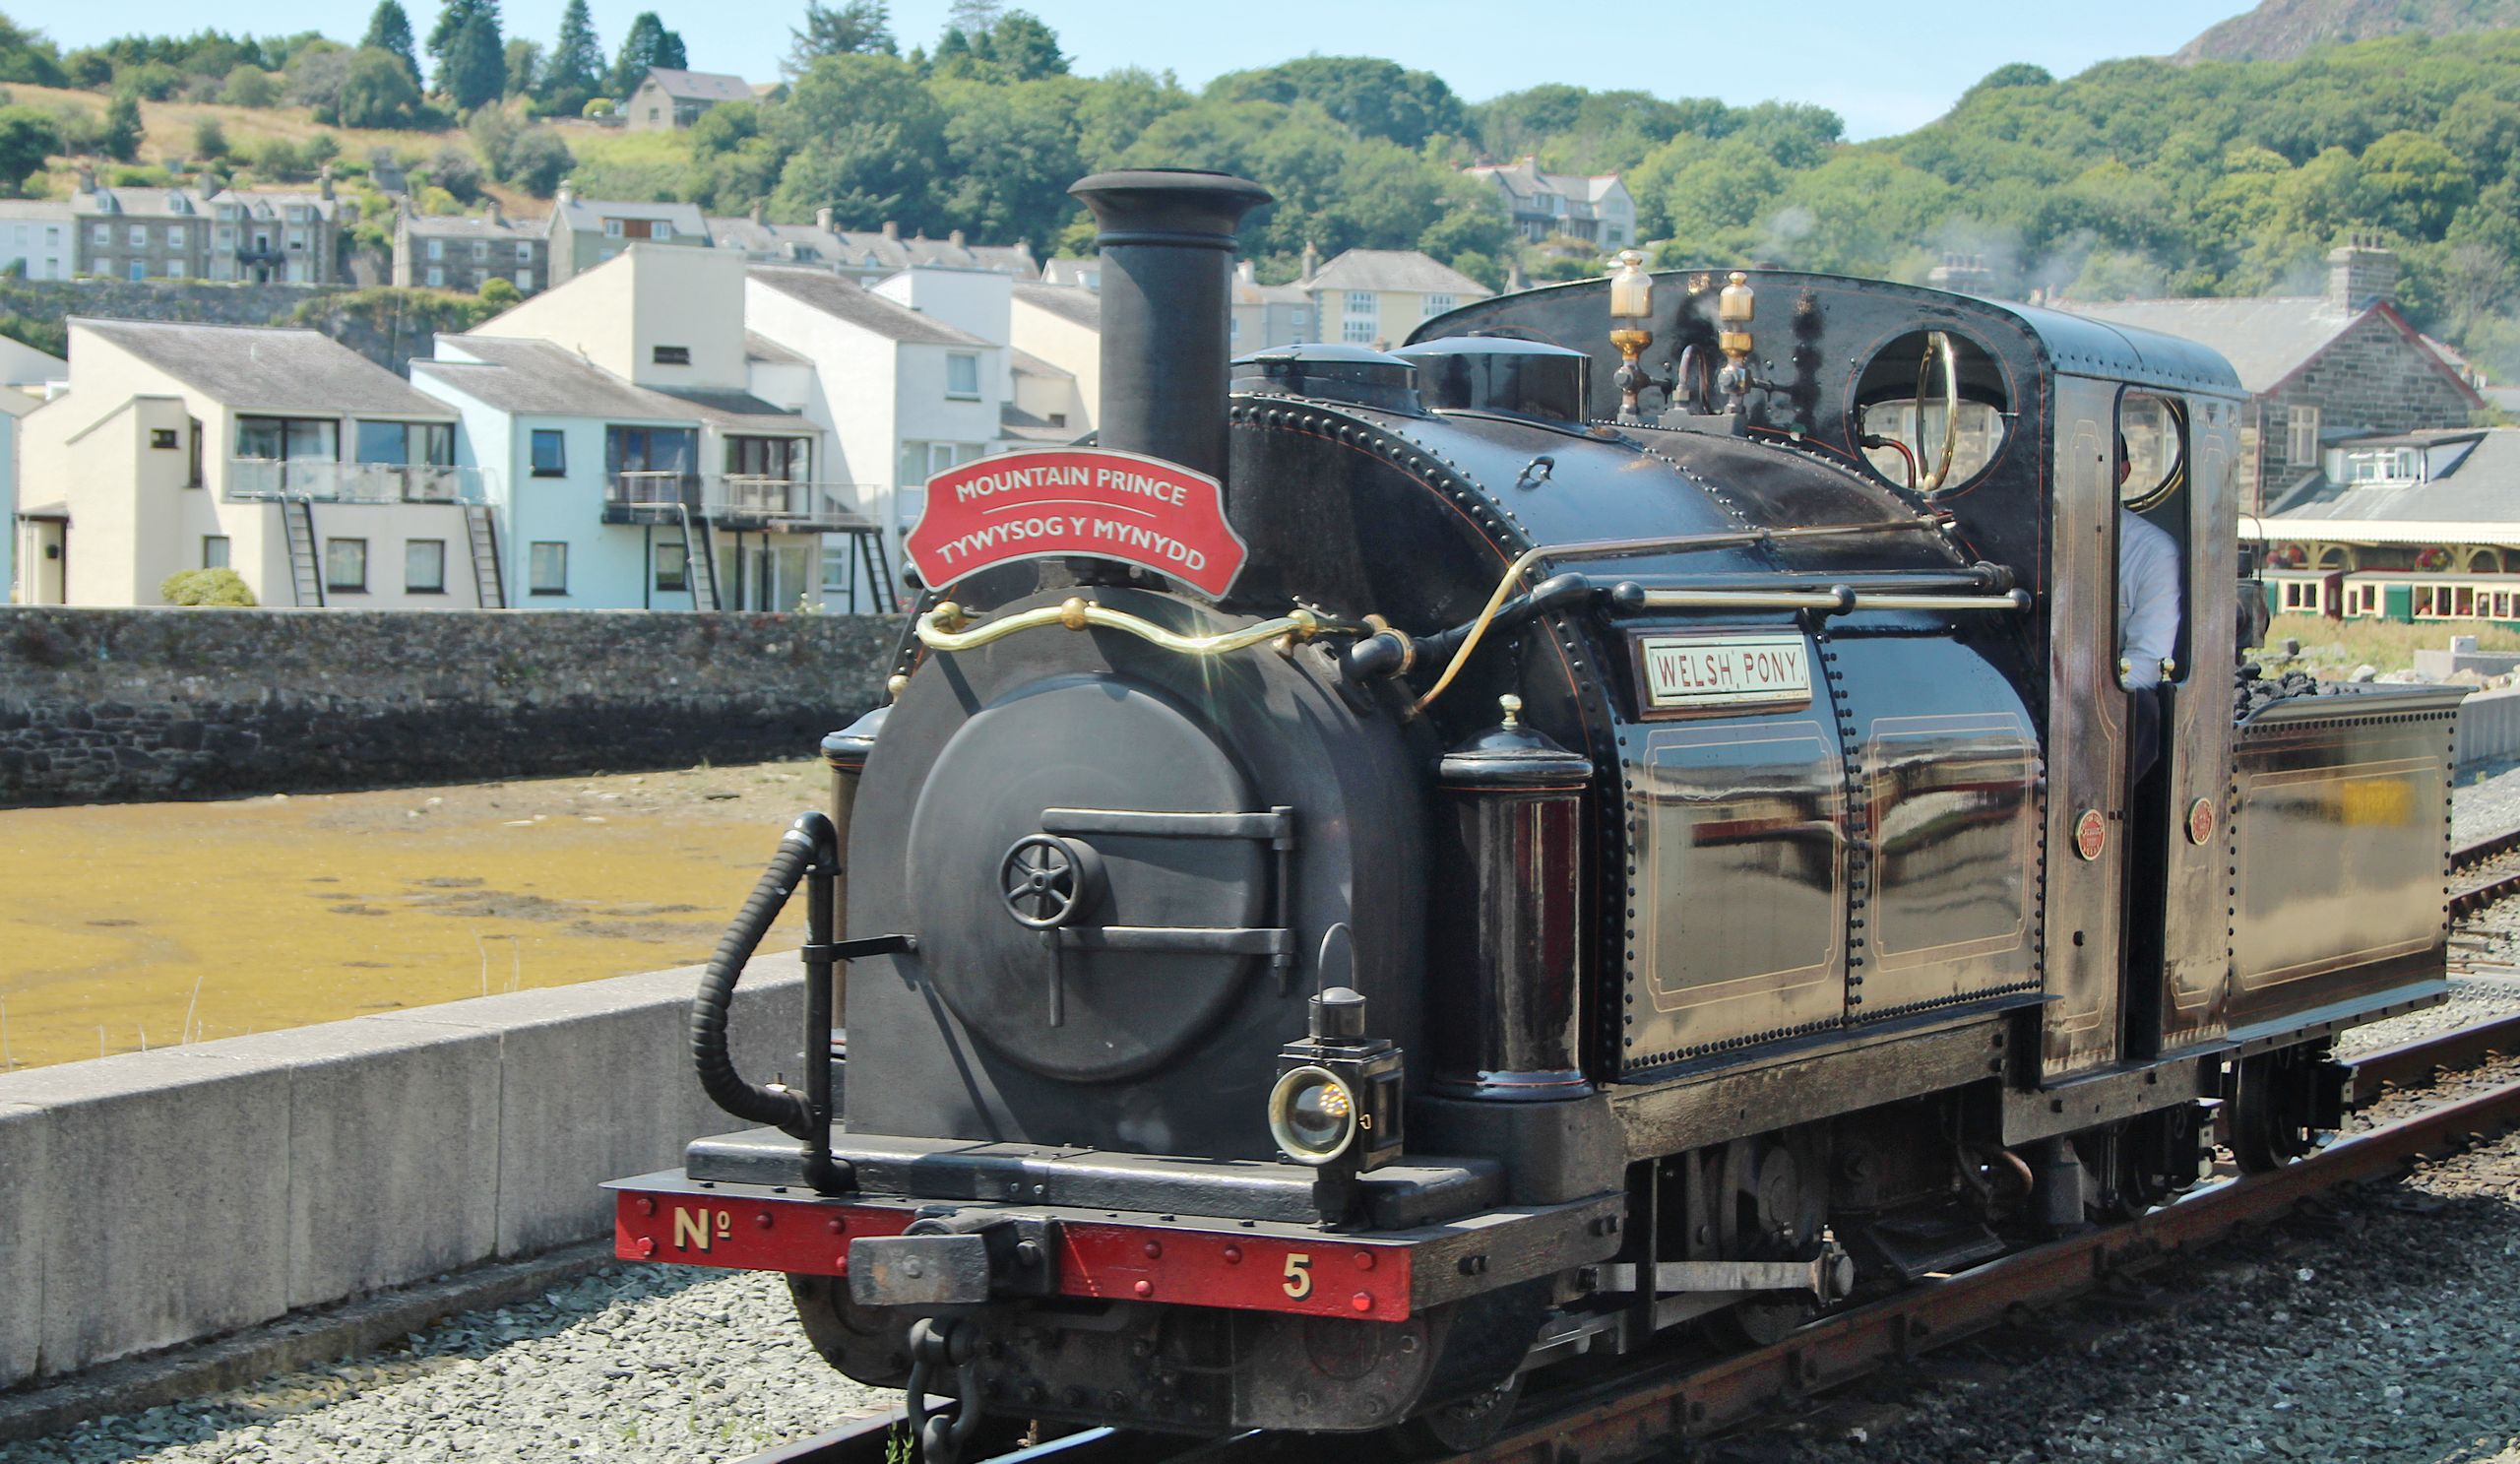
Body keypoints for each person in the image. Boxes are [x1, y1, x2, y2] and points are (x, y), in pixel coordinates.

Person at [2117, 484, 2182, 786]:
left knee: (2139, 710)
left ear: (2122, 472)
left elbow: (2146, 661)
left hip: (2102, 694)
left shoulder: (2152, 552)